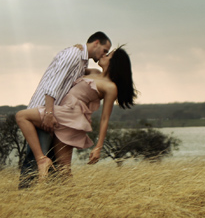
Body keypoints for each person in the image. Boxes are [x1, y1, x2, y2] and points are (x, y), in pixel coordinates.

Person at [16, 46, 136, 179]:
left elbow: (105, 118)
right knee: (64, 171)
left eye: (108, 56)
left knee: (21, 116)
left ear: (115, 63)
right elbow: (73, 66)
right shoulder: (94, 72)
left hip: (69, 115)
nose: (103, 56)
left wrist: (98, 147)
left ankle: (41, 159)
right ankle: (71, 197)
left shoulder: (110, 87)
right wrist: (78, 49)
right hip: (65, 114)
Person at [18, 32, 112, 188]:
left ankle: (48, 204)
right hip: (44, 110)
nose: (104, 54)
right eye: (104, 50)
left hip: (55, 114)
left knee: (53, 163)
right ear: (96, 43)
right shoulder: (74, 54)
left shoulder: (82, 62)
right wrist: (48, 112)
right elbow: (53, 84)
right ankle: (25, 200)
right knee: (34, 160)